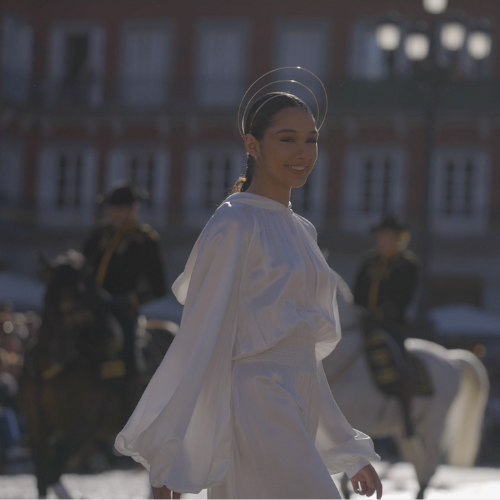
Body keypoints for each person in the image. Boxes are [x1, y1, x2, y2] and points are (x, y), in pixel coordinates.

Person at [115, 88, 382, 499]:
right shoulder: (235, 222)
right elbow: (201, 341)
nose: (303, 151)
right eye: (287, 138)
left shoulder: (303, 231)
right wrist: (170, 453)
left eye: (311, 139)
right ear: (252, 145)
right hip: (253, 405)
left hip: (296, 404)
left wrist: (348, 451)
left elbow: (302, 357)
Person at [83, 182, 167, 376]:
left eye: (120, 209)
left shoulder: (146, 241)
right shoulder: (99, 234)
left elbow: (159, 287)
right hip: (92, 306)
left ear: (133, 209)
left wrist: (130, 300)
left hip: (123, 310)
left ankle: (132, 391)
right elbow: (84, 266)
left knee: (129, 351)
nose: (114, 214)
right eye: (112, 208)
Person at [353, 214, 419, 437]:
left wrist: (380, 314)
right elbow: (357, 292)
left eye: (387, 235)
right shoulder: (369, 261)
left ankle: (406, 418)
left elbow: (403, 299)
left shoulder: (407, 264)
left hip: (391, 327)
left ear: (398, 238)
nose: (381, 240)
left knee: (402, 364)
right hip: (363, 325)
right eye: (379, 235)